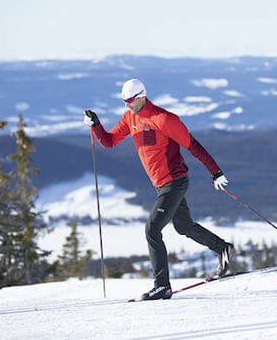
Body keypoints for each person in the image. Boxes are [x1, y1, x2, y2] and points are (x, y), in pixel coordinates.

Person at [84, 78, 233, 300]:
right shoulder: (129, 117)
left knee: (152, 229)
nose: (127, 105)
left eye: (131, 100)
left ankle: (162, 286)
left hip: (174, 181)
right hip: (161, 184)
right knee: (184, 227)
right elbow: (109, 141)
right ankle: (222, 249)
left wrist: (216, 172)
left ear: (142, 96)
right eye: (124, 101)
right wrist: (96, 125)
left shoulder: (163, 119)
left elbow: (193, 145)